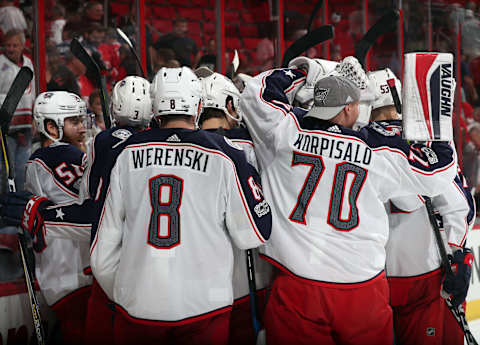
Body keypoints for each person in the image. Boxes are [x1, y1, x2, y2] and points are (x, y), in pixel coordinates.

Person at [240, 57, 457, 345]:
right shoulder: (377, 150)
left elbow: (257, 91)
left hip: (297, 285)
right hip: (361, 292)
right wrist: (437, 122)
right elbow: (440, 170)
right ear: (349, 108)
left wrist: (307, 71)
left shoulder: (284, 132)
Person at [90, 67, 272, 345]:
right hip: (204, 305)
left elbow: (102, 249)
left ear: (155, 108)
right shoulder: (225, 154)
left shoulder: (124, 154)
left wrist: (127, 291)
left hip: (139, 306)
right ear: (198, 106)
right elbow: (253, 233)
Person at [366, 68, 475, 345]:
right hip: (420, 274)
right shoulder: (425, 144)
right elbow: (459, 204)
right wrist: (459, 253)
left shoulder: (351, 141)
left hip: (365, 276)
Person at [195, 68, 272, 345]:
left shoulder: (184, 148)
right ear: (228, 104)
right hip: (247, 266)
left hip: (196, 273)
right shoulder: (248, 145)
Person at [25, 91, 90, 345]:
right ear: (51, 126)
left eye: (82, 121)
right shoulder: (55, 158)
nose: (83, 128)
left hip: (59, 277)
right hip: (74, 272)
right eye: (74, 122)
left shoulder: (37, 161)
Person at [0, 29, 35, 191]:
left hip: (26, 126)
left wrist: (34, 118)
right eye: (7, 45)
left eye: (15, 45)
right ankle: (5, 207)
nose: (11, 48)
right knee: (6, 170)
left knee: (22, 169)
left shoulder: (28, 63)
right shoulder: (0, 63)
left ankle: (18, 207)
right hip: (6, 127)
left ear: (23, 46)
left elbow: (32, 92)